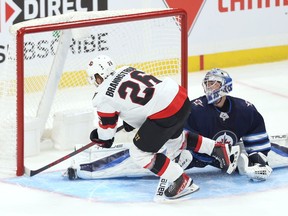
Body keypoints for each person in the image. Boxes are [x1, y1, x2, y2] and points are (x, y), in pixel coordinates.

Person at [65, 55, 240, 200]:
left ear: (97, 77)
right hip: (179, 97)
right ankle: (218, 149)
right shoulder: (126, 69)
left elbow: (107, 134)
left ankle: (180, 180)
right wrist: (130, 118)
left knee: (139, 153)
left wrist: (100, 137)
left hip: (164, 112)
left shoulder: (102, 97)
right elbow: (141, 99)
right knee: (175, 141)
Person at [184, 68, 273, 181]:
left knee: (250, 162)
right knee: (177, 160)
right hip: (196, 157)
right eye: (207, 84)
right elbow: (183, 138)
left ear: (226, 86)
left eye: (213, 84)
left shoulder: (245, 109)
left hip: (229, 157)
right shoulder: (195, 109)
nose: (209, 87)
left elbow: (255, 132)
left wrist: (259, 159)